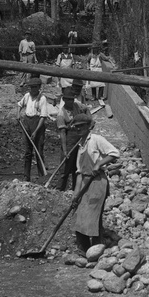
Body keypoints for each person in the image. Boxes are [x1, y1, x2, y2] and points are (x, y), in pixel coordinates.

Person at [72, 115, 120, 252]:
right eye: (76, 126)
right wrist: (76, 194)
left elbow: (114, 153)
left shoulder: (96, 139)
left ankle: (97, 248)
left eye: (81, 125)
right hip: (85, 182)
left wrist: (99, 164)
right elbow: (80, 172)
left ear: (89, 126)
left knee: (94, 214)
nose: (78, 129)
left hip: (97, 182)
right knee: (78, 214)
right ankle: (83, 249)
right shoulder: (80, 146)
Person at [16, 77, 51, 182]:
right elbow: (19, 105)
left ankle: (42, 176)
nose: (32, 89)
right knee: (28, 152)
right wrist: (18, 114)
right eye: (31, 87)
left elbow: (43, 117)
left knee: (39, 151)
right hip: (27, 123)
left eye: (34, 87)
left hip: (38, 124)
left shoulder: (42, 99)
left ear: (39, 87)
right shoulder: (27, 96)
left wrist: (35, 132)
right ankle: (26, 176)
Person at [55, 87, 89, 191]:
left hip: (80, 141)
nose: (70, 101)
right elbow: (62, 133)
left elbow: (86, 109)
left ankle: (75, 190)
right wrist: (65, 150)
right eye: (68, 99)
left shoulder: (77, 106)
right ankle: (59, 190)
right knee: (64, 170)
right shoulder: (61, 114)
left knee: (77, 167)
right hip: (68, 143)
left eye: (72, 99)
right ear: (64, 99)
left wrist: (90, 121)